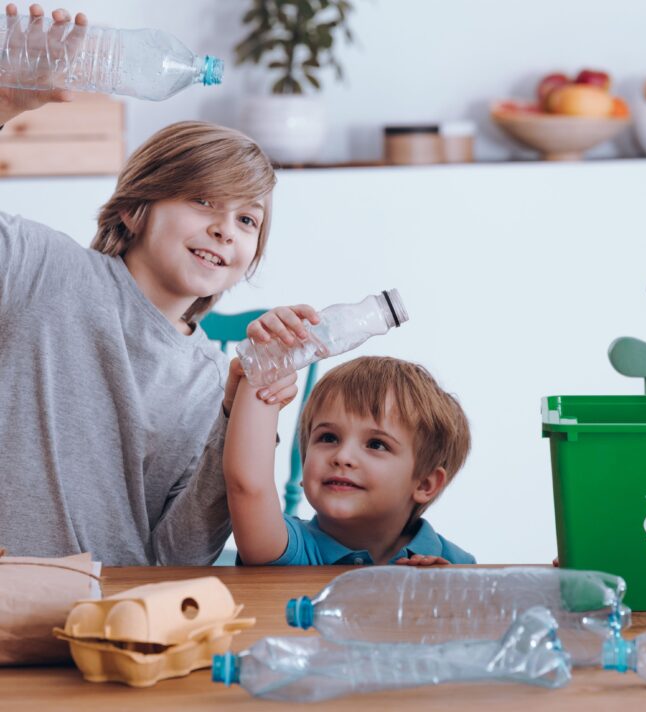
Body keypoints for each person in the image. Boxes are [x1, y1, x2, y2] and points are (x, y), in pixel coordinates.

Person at [0, 4, 301, 564]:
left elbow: (176, 556)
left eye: (247, 219)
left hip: (114, 623)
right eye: (203, 200)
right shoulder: (42, 268)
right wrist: (6, 103)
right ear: (135, 211)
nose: (223, 228)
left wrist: (237, 416)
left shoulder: (210, 381)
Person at [223, 355, 475, 565]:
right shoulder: (285, 547)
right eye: (329, 438)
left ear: (424, 484)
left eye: (377, 444)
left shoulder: (457, 566)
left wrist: (449, 597)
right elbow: (248, 486)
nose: (342, 457)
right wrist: (265, 364)